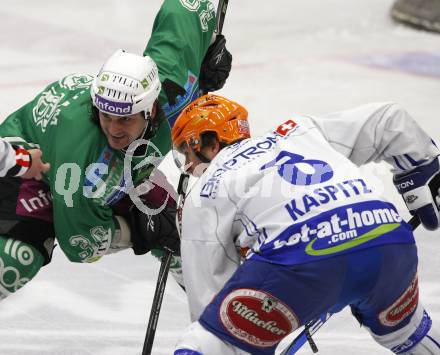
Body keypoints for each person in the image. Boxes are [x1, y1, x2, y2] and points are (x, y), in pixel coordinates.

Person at [170, 94, 440, 354]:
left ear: (211, 143)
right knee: (407, 332)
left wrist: (225, 337)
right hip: (388, 238)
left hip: (301, 261)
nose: (187, 166)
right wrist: (422, 168)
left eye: (186, 152)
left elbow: (212, 300)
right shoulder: (297, 131)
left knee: (206, 344)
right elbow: (386, 119)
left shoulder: (205, 188)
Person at [0, 0, 231, 300]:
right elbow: (79, 244)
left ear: (151, 109)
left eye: (125, 117)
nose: (113, 128)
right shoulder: (86, 172)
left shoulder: (169, 81)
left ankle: (218, 311)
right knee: (21, 256)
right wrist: (139, 230)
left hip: (111, 167)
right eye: (105, 115)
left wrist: (210, 48)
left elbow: (183, 9)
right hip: (34, 167)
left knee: (179, 226)